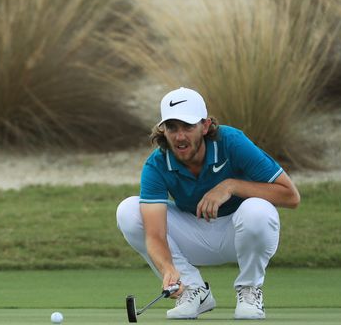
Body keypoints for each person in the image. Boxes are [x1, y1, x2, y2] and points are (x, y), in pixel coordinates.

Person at [116, 87, 300, 320]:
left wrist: (231, 186)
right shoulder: (157, 164)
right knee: (128, 211)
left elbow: (290, 196)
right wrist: (168, 268)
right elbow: (155, 234)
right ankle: (193, 290)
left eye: (188, 127)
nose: (179, 136)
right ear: (163, 129)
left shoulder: (232, 142)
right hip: (192, 236)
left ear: (205, 126)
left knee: (258, 210)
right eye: (172, 127)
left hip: (239, 232)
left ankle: (250, 289)